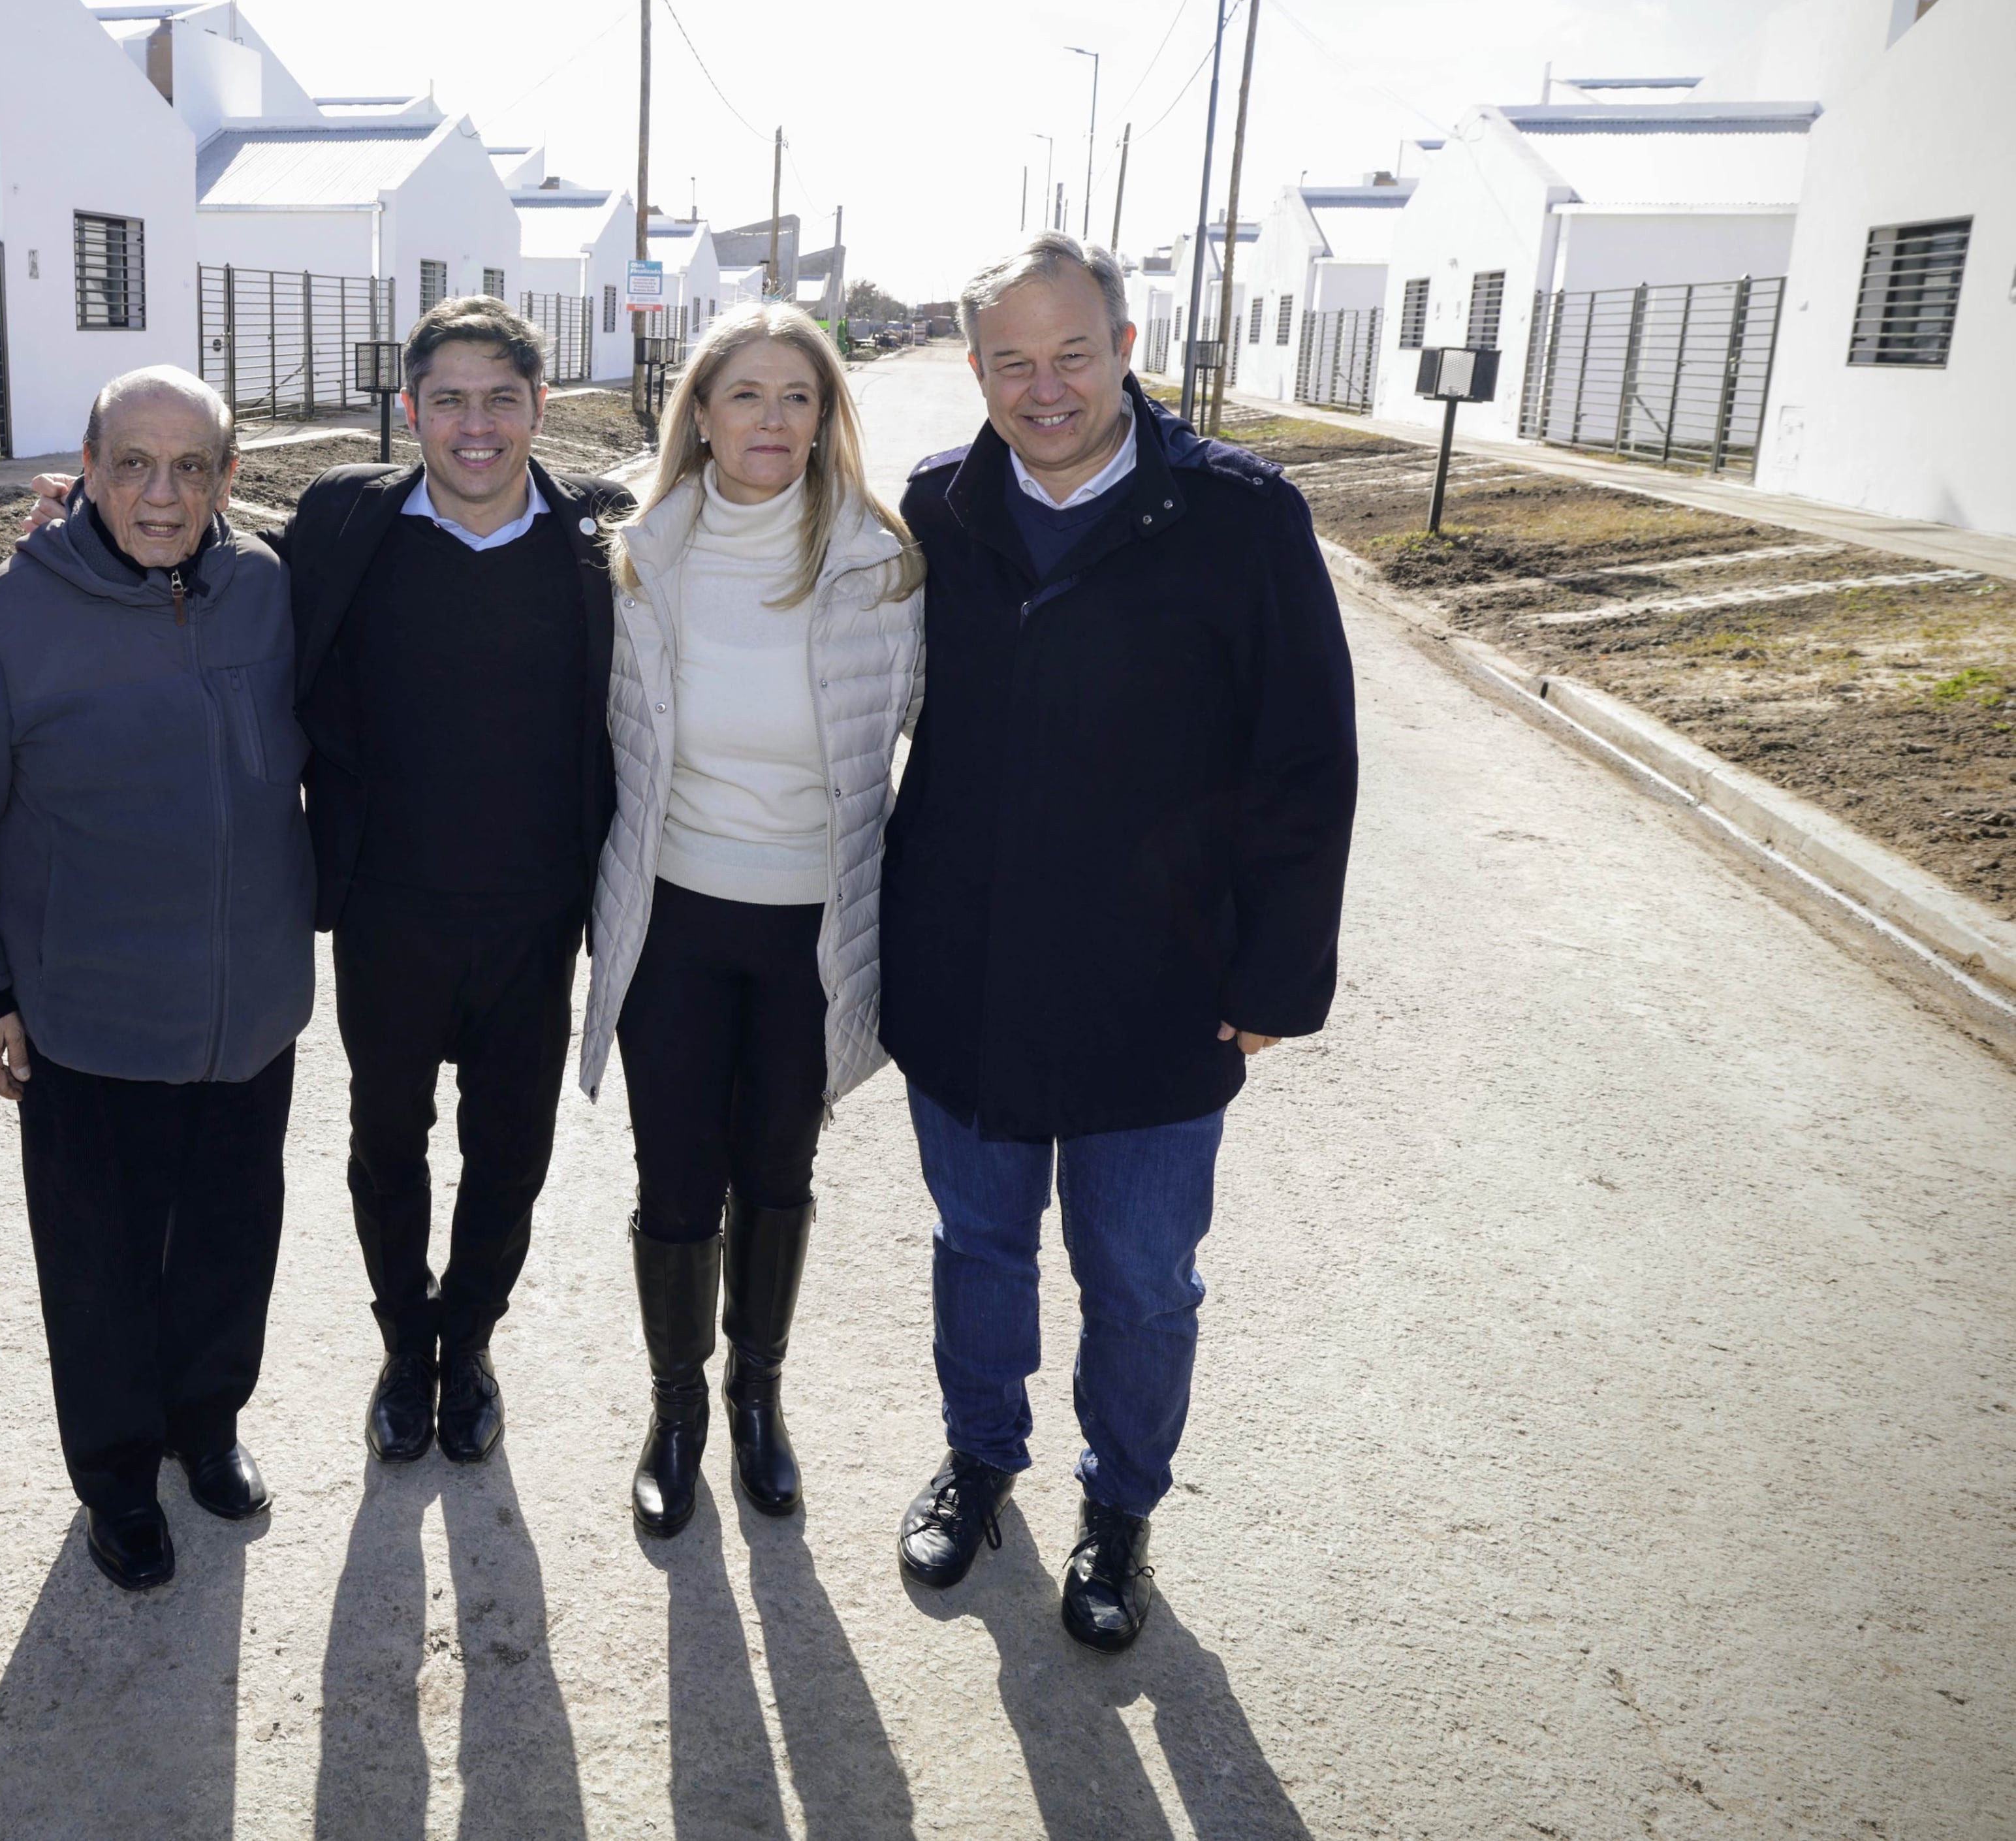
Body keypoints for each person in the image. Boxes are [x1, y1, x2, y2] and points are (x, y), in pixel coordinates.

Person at [880, 234, 1357, 1652]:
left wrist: (1275, 976)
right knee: (978, 1243)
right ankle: (980, 1457)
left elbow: (1306, 759)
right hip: (966, 970)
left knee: (1141, 1279)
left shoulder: (1239, 515)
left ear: (1126, 346)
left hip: (1159, 985)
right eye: (1012, 362)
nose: (1045, 388)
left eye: (1072, 353)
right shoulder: (937, 508)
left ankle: (1121, 1506)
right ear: (975, 370)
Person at [0, 368, 314, 1593]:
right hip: (87, 1017)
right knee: (98, 1266)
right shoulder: (7, 621)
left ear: (228, 479)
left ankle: (207, 1426)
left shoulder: (267, 589)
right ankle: (115, 1477)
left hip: (248, 1011)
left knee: (231, 1238)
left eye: (191, 467)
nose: (161, 494)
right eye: (133, 463)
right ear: (86, 469)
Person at [577, 300, 923, 1538]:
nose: (771, 420)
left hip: (811, 932)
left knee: (778, 1171)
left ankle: (756, 1395)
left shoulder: (885, 565)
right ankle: (676, 1409)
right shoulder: (636, 555)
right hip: (671, 918)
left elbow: (944, 741)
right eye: (745, 394)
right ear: (703, 415)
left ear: (826, 416)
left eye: (797, 396)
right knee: (674, 1176)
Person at [273, 294, 633, 1466]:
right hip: (389, 911)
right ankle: (402, 1343)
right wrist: (83, 523)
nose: (476, 425)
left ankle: (468, 1341)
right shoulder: (344, 519)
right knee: (387, 1138)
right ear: (411, 407)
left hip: (535, 916)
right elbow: (215, 563)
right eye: (449, 400)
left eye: (501, 399)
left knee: (511, 1146)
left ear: (540, 405)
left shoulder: (601, 541)